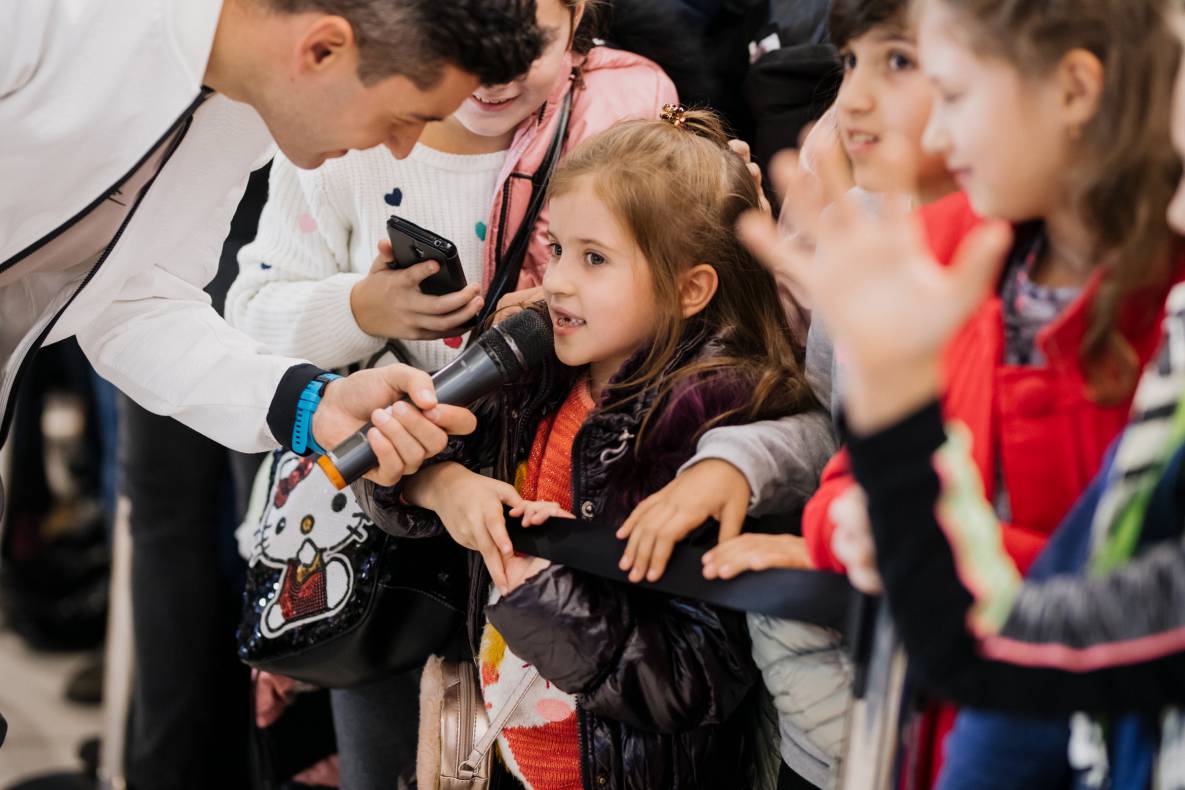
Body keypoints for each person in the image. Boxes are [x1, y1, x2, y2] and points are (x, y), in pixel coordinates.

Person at [228, 1, 677, 784]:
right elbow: (248, 319)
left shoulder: (623, 111)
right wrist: (360, 309)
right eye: (460, 37)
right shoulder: (347, 137)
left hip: (549, 537)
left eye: (524, 40)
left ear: (578, 16)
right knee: (385, 756)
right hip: (389, 528)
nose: (494, 67)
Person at [739, 0, 1185, 786]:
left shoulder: (1163, 315)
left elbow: (1113, 583)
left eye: (950, 93)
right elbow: (854, 462)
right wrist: (853, 515)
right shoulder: (948, 245)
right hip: (936, 712)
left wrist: (922, 522)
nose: (937, 138)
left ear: (1074, 91)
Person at [356, 109, 816, 790]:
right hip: (513, 756)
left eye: (594, 258)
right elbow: (392, 470)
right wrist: (438, 486)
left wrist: (540, 597)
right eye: (558, 247)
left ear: (690, 288)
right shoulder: (535, 367)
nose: (559, 280)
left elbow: (695, 683)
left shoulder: (710, 421)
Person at [0, 0, 546, 502]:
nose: (400, 148)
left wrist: (313, 404)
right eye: (404, 117)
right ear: (323, 49)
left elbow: (136, 299)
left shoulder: (242, 108)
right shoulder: (39, 21)